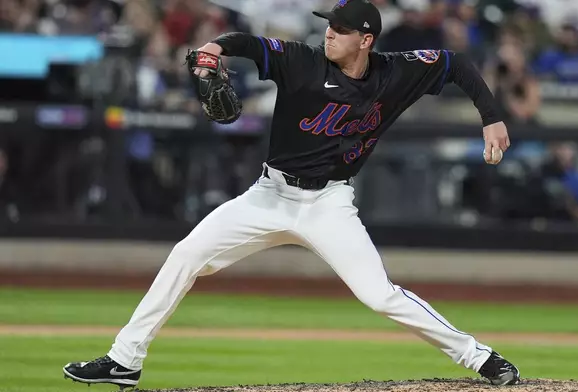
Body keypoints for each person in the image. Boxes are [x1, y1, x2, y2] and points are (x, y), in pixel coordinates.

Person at [62, 0, 518, 389]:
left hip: (329, 204)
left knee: (380, 295)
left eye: (340, 30)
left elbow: (455, 63)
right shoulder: (300, 60)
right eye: (327, 25)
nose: (329, 34)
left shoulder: (396, 72)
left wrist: (491, 116)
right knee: (185, 255)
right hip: (268, 195)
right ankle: (125, 360)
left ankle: (479, 358)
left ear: (366, 39)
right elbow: (247, 43)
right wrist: (214, 49)